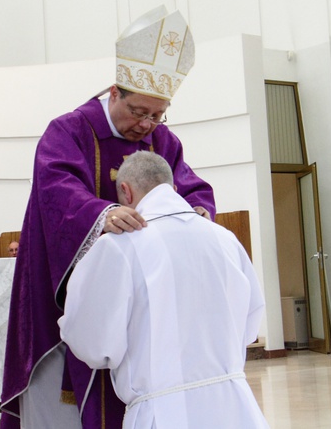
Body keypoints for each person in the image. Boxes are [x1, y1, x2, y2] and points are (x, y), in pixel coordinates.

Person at [0, 6, 216, 429]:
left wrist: (197, 211)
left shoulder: (162, 141)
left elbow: (189, 185)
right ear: (114, 93)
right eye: (139, 111)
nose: (147, 125)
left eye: (158, 114)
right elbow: (57, 190)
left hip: (137, 304)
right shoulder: (70, 131)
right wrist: (103, 213)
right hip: (69, 297)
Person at [58, 151, 268, 429]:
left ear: (125, 191)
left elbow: (93, 345)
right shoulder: (224, 238)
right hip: (236, 407)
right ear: (174, 189)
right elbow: (250, 323)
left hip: (164, 412)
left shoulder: (119, 246)